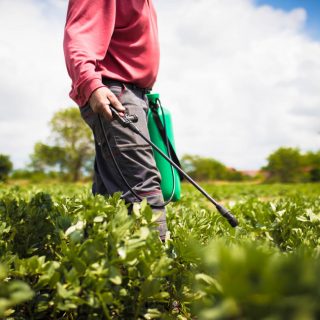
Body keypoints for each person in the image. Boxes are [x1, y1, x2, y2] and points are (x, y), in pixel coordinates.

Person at [63, 0, 167, 240]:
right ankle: (158, 272)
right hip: (114, 94)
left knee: (109, 197)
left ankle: (98, 264)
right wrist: (91, 85)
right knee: (144, 187)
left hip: (134, 95)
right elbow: (78, 39)